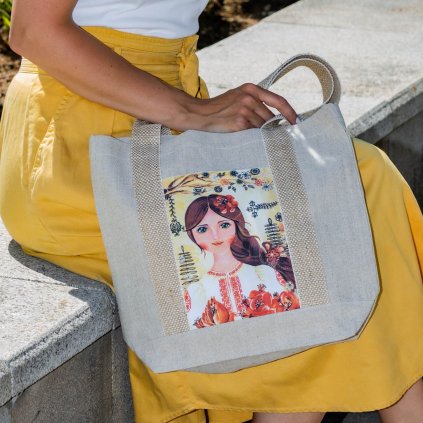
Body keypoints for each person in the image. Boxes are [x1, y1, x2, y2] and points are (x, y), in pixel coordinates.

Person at [0, 1, 422, 422]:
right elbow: (34, 31)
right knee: (349, 194)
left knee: (350, 196)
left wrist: (193, 110)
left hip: (165, 108)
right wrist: (193, 112)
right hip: (81, 141)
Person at [183, 194, 300, 329]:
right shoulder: (197, 291)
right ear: (192, 235)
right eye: (203, 229)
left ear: (236, 225)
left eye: (224, 225)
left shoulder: (264, 274)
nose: (215, 235)